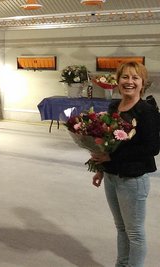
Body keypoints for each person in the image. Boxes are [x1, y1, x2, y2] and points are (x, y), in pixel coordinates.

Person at [90, 61, 159, 267]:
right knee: (121, 228)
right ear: (117, 81)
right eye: (125, 77)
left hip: (133, 179)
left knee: (135, 232)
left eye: (135, 78)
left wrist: (112, 159)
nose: (129, 82)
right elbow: (109, 144)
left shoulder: (146, 111)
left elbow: (152, 148)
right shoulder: (114, 107)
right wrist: (101, 169)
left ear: (143, 82)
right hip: (111, 177)